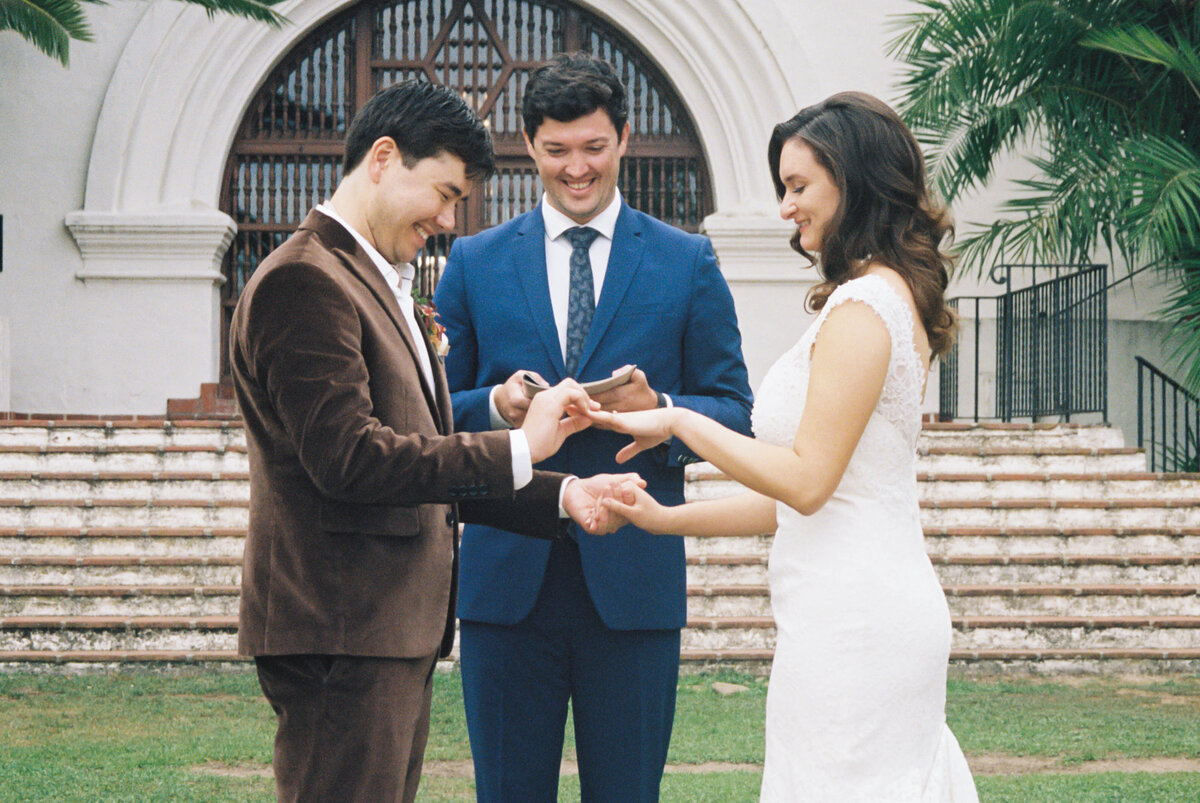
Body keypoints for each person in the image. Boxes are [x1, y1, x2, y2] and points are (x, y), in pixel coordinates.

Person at [228, 80, 640, 803]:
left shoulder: (374, 278)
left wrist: (566, 494)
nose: (449, 219)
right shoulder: (304, 280)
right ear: (384, 158)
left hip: (381, 632)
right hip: (340, 630)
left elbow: (421, 463)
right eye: (445, 192)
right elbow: (350, 458)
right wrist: (524, 445)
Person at [593, 92, 980, 801]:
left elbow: (804, 482)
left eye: (798, 186)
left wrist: (678, 419)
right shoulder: (869, 297)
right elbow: (793, 506)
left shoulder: (866, 309)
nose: (783, 207)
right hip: (837, 609)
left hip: (859, 623)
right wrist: (664, 517)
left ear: (853, 179)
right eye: (781, 187)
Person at [434, 53, 753, 802]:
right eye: (556, 150)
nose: (576, 169)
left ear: (626, 137)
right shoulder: (475, 261)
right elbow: (428, 410)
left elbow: (735, 408)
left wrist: (664, 412)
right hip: (506, 581)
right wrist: (496, 406)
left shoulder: (688, 261)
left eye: (593, 147)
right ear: (527, 143)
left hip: (634, 578)